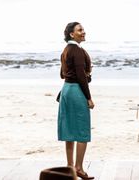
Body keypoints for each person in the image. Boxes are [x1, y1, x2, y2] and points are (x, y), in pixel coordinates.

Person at [57, 22, 95, 180]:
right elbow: (80, 76)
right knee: (81, 130)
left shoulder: (66, 50)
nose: (83, 32)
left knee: (69, 130)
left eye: (83, 29)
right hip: (76, 91)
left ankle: (70, 166)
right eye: (80, 30)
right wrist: (89, 97)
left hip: (66, 89)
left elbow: (62, 74)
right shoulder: (77, 51)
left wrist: (83, 75)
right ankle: (79, 168)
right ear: (72, 34)